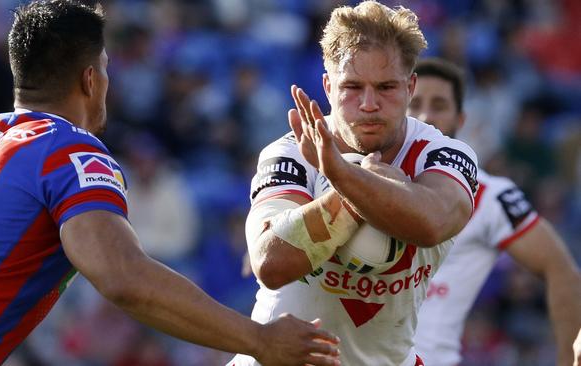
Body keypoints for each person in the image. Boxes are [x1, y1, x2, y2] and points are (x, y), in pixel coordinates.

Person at [0, 2, 342, 366]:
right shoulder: (70, 151)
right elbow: (123, 277)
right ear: (91, 80)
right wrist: (259, 340)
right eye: (107, 68)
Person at [229, 2, 478, 365]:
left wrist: (343, 176)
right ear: (328, 86)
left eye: (386, 87)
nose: (369, 103)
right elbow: (271, 264)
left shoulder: (442, 154)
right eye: (352, 86)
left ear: (411, 87)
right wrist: (351, 193)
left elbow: (433, 222)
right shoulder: (290, 153)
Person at [409, 57, 581, 366]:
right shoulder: (362, 181)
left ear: (460, 119)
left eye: (438, 105)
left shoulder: (490, 197)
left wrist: (570, 361)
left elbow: (562, 270)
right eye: (414, 104)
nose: (425, 116)